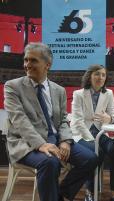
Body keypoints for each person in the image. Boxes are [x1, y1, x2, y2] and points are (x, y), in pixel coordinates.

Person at [4, 42, 98, 201]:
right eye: (26, 60)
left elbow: (62, 120)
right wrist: (41, 144)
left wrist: (66, 141)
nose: (27, 65)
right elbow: (20, 120)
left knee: (90, 159)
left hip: (55, 140)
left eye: (33, 61)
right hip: (26, 143)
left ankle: (60, 194)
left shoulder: (59, 90)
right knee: (50, 163)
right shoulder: (13, 87)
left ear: (47, 64)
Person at [70, 64, 114, 201]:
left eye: (103, 75)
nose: (101, 77)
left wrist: (110, 118)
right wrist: (91, 140)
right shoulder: (78, 94)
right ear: (89, 76)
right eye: (97, 74)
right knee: (95, 152)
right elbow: (78, 121)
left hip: (100, 133)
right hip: (81, 134)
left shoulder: (108, 93)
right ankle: (89, 191)